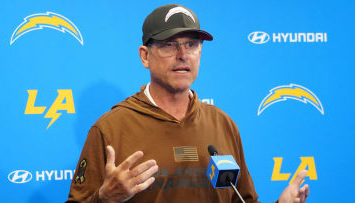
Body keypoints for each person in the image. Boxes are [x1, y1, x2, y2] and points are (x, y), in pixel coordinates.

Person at [66, 4, 309, 203]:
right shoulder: (110, 129)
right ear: (145, 56)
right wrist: (103, 199)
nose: (183, 54)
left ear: (200, 53)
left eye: (192, 44)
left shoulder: (223, 124)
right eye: (169, 44)